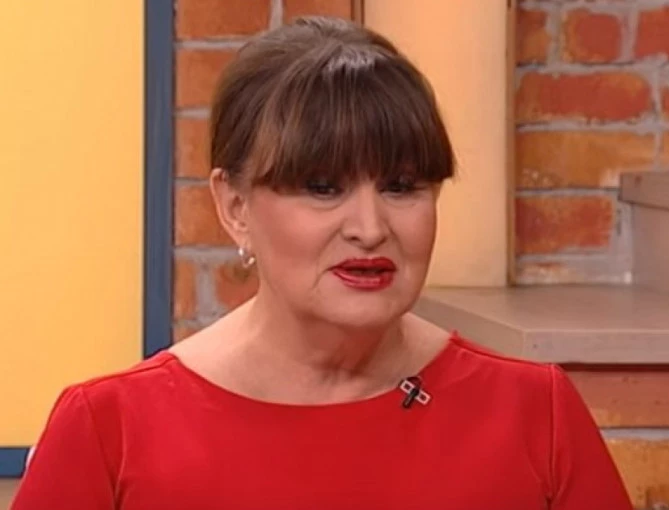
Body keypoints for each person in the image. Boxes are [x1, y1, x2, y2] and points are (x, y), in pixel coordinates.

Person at [11, 16, 631, 509]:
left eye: (401, 186)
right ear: (235, 207)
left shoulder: (534, 414)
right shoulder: (109, 430)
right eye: (322, 187)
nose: (370, 228)